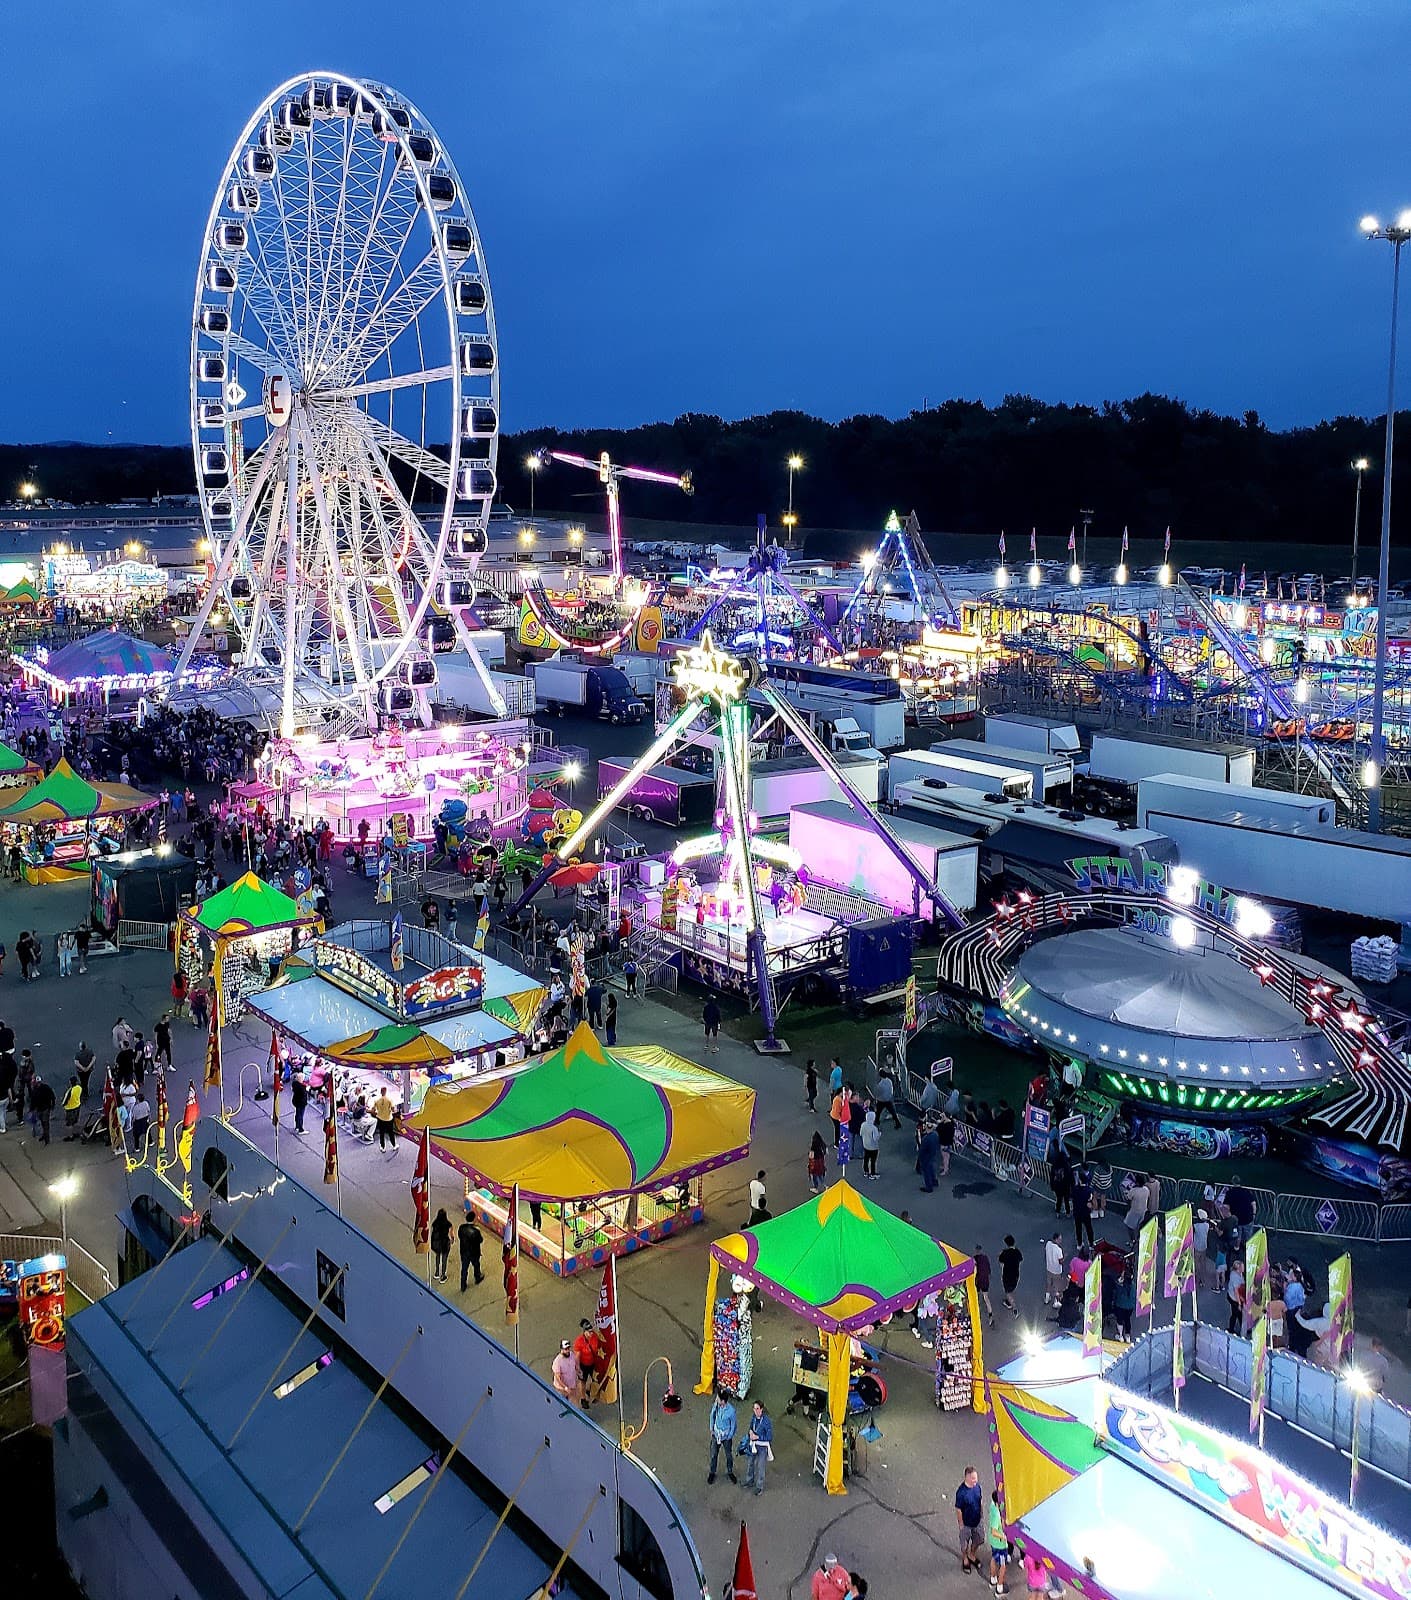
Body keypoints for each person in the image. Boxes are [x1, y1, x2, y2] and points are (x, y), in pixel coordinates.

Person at [955, 1465, 985, 1572]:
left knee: (980, 1539)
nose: (975, 1481)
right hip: (966, 1524)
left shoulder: (977, 1487)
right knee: (964, 1544)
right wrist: (961, 1524)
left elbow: (980, 1500)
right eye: (973, 1478)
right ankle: (965, 1558)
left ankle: (972, 1554)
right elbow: (958, 1509)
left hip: (977, 1521)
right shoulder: (961, 1493)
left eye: (976, 1478)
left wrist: (981, 1514)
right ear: (967, 1478)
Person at [740, 1400, 773, 1495]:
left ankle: (759, 1486)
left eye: (757, 1409)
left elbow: (769, 1437)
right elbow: (751, 1426)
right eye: (754, 1408)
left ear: (761, 1409)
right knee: (750, 1463)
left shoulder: (766, 1421)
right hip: (754, 1444)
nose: (755, 1411)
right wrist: (750, 1432)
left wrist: (758, 1437)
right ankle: (749, 1481)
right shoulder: (754, 1417)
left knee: (760, 1466)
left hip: (762, 1447)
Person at [707, 1388, 738, 1485]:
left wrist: (729, 1436)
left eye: (718, 1398)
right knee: (713, 1454)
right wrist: (711, 1428)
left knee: (728, 1455)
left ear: (723, 1401)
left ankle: (730, 1471)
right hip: (716, 1434)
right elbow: (712, 1415)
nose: (716, 1399)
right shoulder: (716, 1405)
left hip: (726, 1437)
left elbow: (733, 1425)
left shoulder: (731, 1411)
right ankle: (712, 1472)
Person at [989, 1490, 1011, 1595]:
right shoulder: (996, 1515)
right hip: (1000, 1545)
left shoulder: (992, 1506)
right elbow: (994, 1531)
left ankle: (993, 1579)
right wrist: (1004, 1536)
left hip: (993, 1543)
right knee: (1003, 1565)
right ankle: (999, 1587)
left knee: (993, 1558)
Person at [552, 1338, 585, 1408]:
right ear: (561, 1349)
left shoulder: (572, 1355)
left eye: (568, 1348)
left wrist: (579, 1371)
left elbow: (575, 1365)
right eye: (565, 1349)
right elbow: (558, 1377)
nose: (567, 1351)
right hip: (561, 1389)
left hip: (572, 1385)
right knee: (561, 1404)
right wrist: (565, 1387)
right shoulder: (557, 1361)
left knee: (574, 1404)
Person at [999, 1235, 1023, 1315]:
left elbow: (1001, 1262)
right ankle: (1008, 1301)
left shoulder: (1005, 1253)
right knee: (1011, 1289)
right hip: (1015, 1274)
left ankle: (1014, 1307)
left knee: (1008, 1292)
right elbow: (1020, 1259)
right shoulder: (1017, 1252)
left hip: (1007, 1275)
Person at [458, 1214, 484, 1290]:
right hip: (474, 1252)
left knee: (464, 1268)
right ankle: (477, 1278)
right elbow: (480, 1240)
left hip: (464, 1251)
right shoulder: (476, 1231)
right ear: (474, 1219)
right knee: (476, 1265)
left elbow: (459, 1236)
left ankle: (463, 1284)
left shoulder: (461, 1227)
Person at [29, 1072, 55, 1144]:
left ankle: (47, 1139)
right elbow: (52, 1096)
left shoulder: (38, 1090)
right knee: (44, 1123)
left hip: (44, 1109)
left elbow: (52, 1096)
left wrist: (31, 1109)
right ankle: (45, 1136)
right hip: (41, 1109)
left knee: (45, 1124)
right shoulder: (44, 1088)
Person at [973, 1245, 996, 1325]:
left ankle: (976, 1309)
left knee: (977, 1295)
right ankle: (990, 1314)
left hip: (978, 1280)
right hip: (985, 1280)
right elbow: (989, 1270)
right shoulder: (985, 1258)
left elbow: (974, 1270)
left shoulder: (975, 1258)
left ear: (976, 1250)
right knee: (986, 1298)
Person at [429, 1208, 452, 1281]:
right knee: (444, 1259)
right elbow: (451, 1234)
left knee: (437, 1256)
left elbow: (432, 1233)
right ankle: (443, 1275)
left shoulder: (434, 1223)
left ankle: (436, 1273)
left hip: (436, 1243)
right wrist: (452, 1240)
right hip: (445, 1243)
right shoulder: (448, 1224)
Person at [918, 1120, 941, 1192]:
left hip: (926, 1156)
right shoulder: (935, 1134)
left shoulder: (926, 1139)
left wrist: (920, 1157)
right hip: (932, 1154)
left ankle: (929, 1187)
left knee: (926, 1171)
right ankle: (934, 1181)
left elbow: (922, 1150)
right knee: (931, 1167)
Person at [1044, 1231, 1065, 1306]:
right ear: (1056, 1239)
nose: (1061, 1241)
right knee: (1056, 1286)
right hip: (1056, 1271)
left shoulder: (1048, 1244)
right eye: (1060, 1239)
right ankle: (1055, 1302)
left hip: (1049, 1268)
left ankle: (1047, 1298)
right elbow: (1060, 1261)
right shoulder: (1058, 1250)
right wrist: (1064, 1257)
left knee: (1049, 1283)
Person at [860, 1109, 881, 1180]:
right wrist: (879, 1134)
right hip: (873, 1147)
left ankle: (866, 1172)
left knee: (866, 1159)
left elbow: (861, 1133)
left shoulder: (863, 1124)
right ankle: (872, 1173)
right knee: (873, 1161)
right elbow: (875, 1138)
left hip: (865, 1145)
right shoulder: (874, 1128)